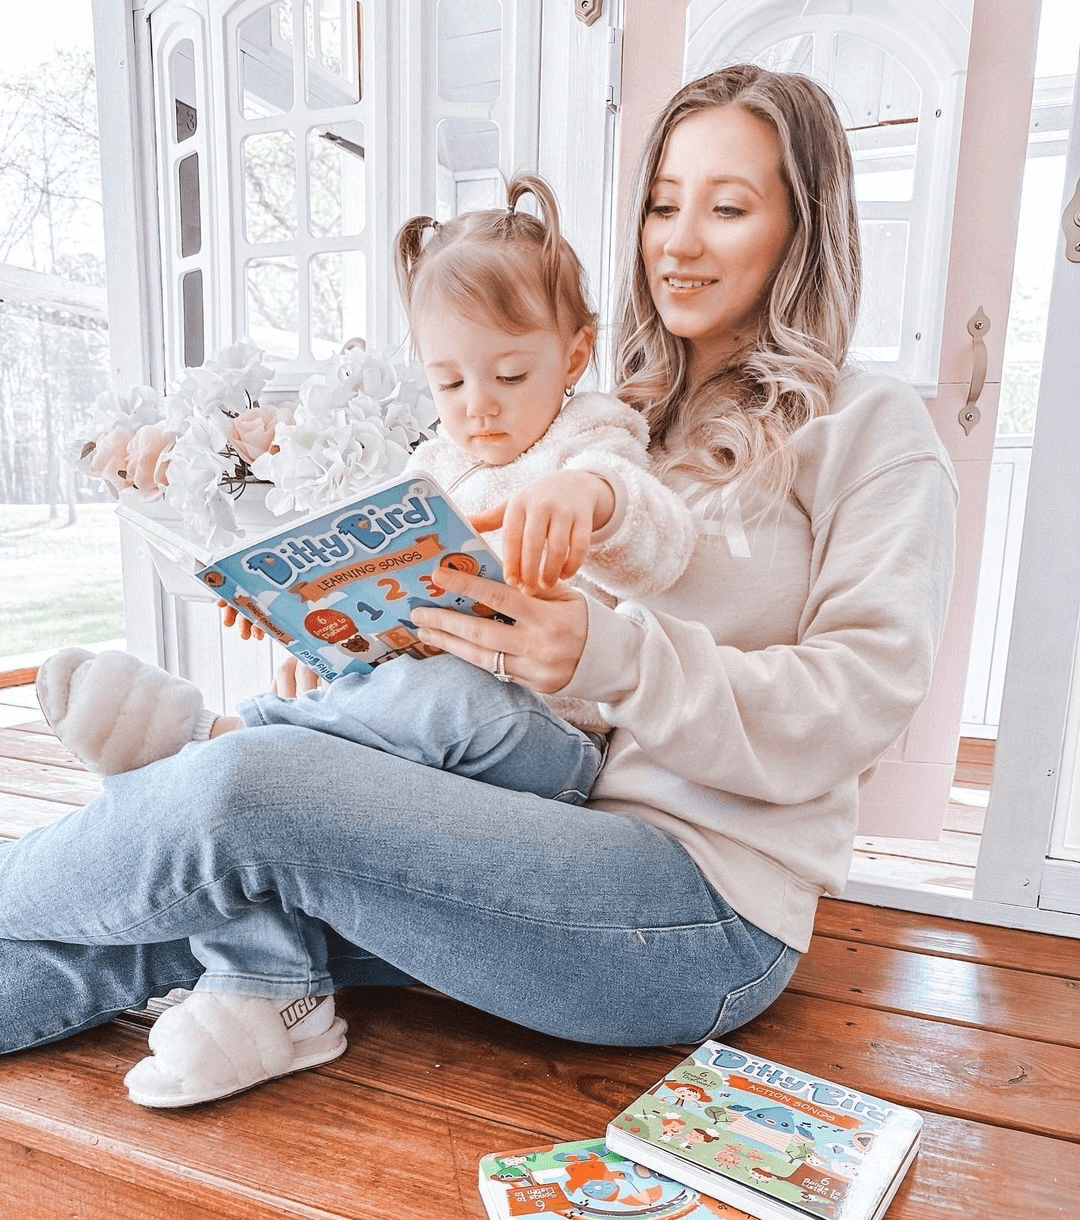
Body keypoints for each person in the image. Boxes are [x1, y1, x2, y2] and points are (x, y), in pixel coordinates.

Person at [0, 65, 956, 1116]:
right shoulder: (593, 404)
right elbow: (483, 636)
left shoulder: (870, 426)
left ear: (802, 227)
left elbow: (859, 702)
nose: (679, 240)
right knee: (179, 917)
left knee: (240, 790)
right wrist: (341, 622)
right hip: (512, 818)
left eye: (727, 207)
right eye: (661, 203)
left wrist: (609, 655)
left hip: (698, 907)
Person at [36, 172, 696, 816]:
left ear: (575, 356)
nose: (479, 406)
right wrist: (288, 611)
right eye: (451, 383)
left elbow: (664, 547)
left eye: (510, 374)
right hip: (435, 731)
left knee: (449, 693)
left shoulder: (592, 435)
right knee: (377, 706)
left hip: (548, 738)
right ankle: (267, 745)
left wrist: (593, 495)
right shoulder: (433, 463)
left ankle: (221, 739)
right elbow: (389, 607)